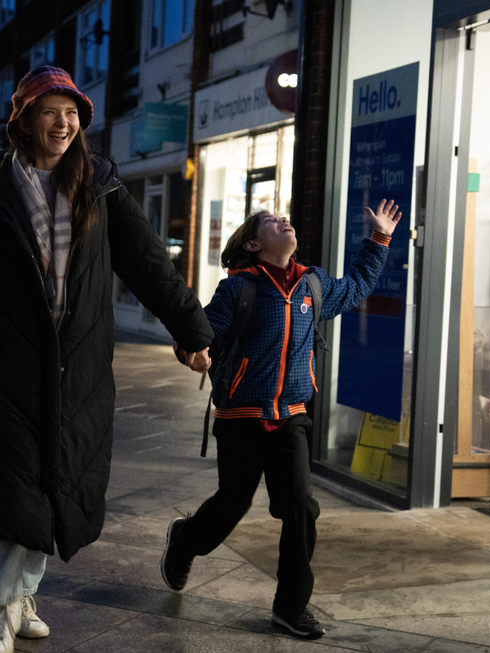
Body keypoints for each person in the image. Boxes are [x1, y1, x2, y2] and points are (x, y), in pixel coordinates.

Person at [0, 66, 213, 653]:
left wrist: (190, 329)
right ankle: (3, 610)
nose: (63, 122)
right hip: (11, 363)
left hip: (81, 364)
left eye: (72, 112)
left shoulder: (100, 183)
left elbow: (148, 263)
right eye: (50, 111)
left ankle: (22, 598)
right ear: (23, 119)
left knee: (56, 487)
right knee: (15, 485)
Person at [159, 201, 402, 640]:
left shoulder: (313, 284)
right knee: (231, 505)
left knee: (300, 509)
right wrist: (190, 351)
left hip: (292, 416)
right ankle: (186, 540)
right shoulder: (238, 289)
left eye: (284, 216)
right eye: (271, 220)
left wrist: (379, 238)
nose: (283, 219)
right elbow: (202, 334)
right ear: (253, 244)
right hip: (241, 416)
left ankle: (291, 608)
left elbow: (358, 285)